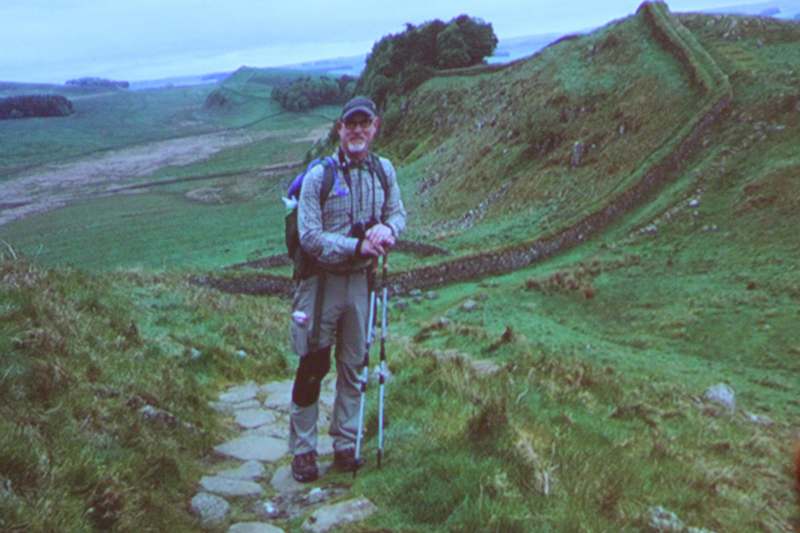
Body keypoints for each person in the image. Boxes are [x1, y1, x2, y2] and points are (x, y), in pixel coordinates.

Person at [289, 96, 406, 482]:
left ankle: (345, 444)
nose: (357, 130)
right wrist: (355, 245)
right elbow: (309, 236)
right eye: (350, 124)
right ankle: (304, 451)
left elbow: (398, 213)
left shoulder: (383, 170)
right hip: (320, 282)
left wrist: (388, 230)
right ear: (339, 129)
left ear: (375, 127)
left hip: (361, 283)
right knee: (312, 366)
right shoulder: (318, 177)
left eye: (364, 123)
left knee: (354, 366)